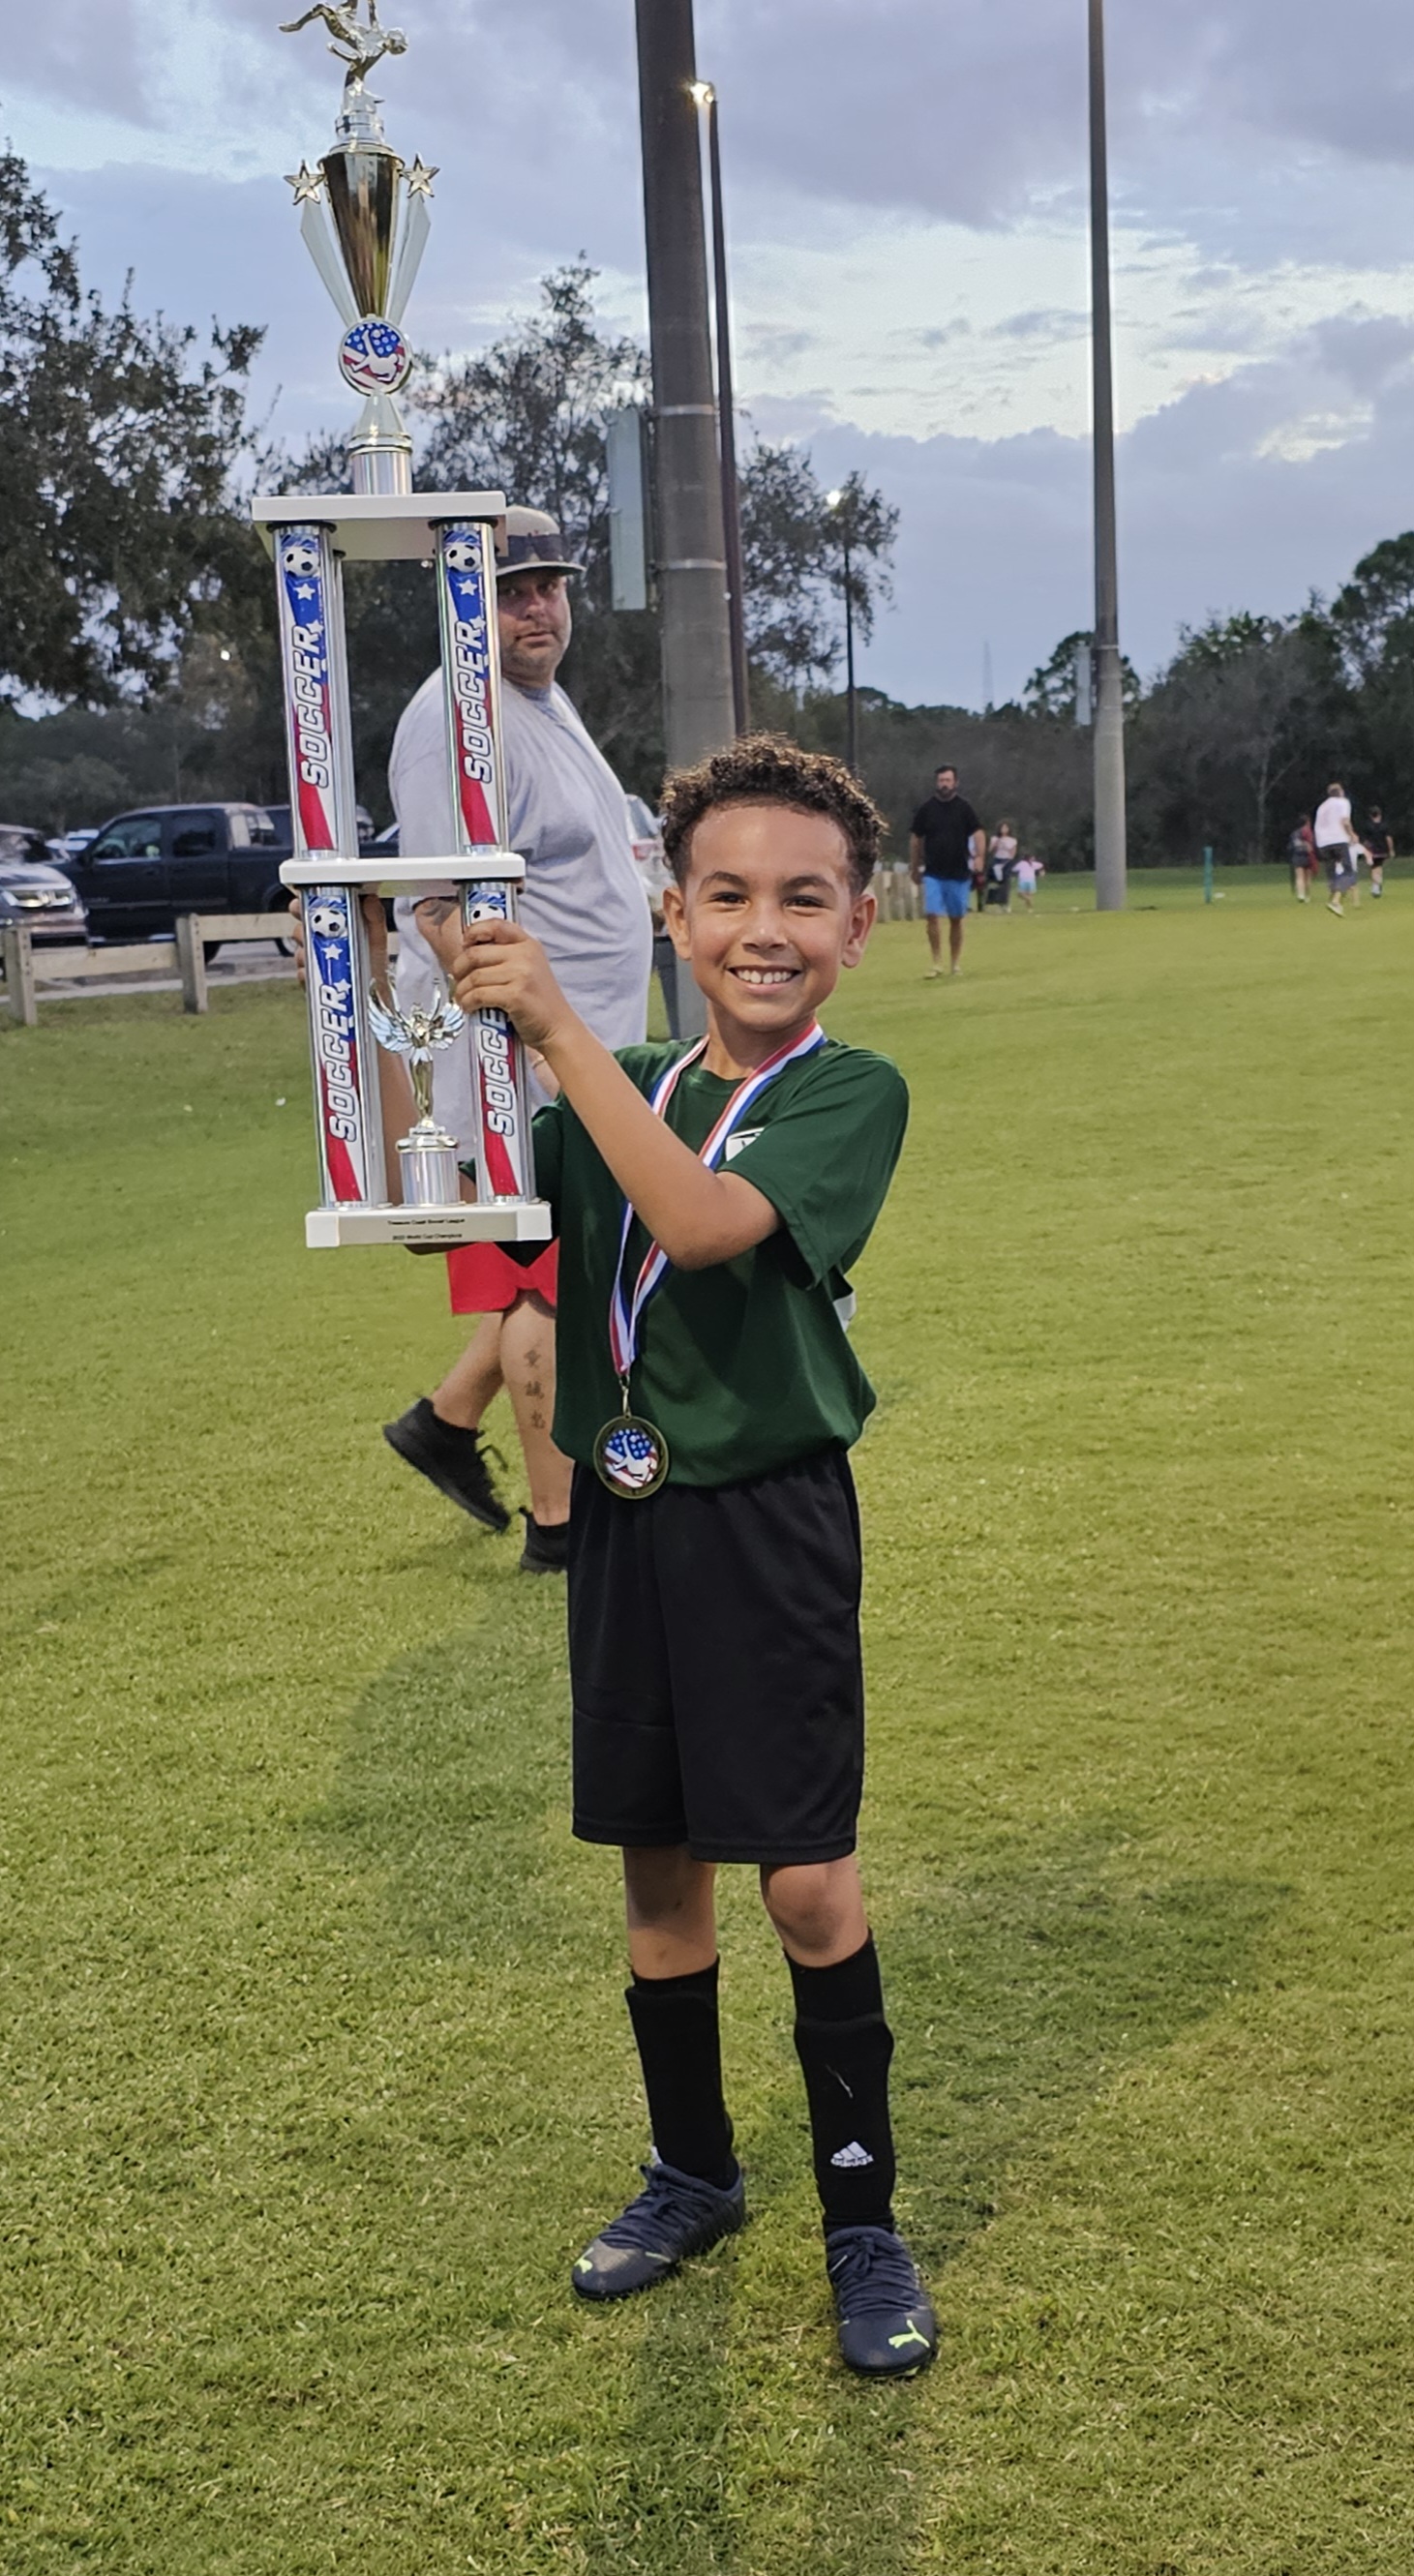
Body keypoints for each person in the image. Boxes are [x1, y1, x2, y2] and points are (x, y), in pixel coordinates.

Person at [447, 734, 935, 2380]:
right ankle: (693, 2169)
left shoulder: (848, 1091)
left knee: (800, 1876)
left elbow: (708, 1224)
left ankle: (860, 2216)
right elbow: (474, 1196)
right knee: (660, 1872)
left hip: (768, 1518)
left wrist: (558, 1026)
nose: (763, 925)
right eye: (726, 891)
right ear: (672, 909)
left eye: (804, 897)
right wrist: (420, 1001)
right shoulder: (622, 1075)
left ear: (858, 925)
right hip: (625, 1517)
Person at [381, 507, 652, 1572]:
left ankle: (445, 1424)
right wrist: (533, 1050)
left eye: (548, 584)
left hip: (578, 1050)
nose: (536, 606)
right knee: (548, 1283)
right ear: (459, 605)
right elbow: (437, 907)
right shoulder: (461, 717)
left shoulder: (540, 702)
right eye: (508, 589)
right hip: (520, 1062)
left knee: (560, 1265)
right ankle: (560, 1530)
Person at [909, 764, 982, 978]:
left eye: (948, 780)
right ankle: (937, 962)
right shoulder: (927, 809)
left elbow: (978, 832)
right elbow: (915, 838)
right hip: (933, 872)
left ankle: (955, 963)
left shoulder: (965, 808)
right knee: (932, 915)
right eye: (941, 780)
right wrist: (915, 866)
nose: (944, 784)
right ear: (936, 782)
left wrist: (979, 856)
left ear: (955, 782)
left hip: (959, 872)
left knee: (956, 918)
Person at [1312, 783, 1361, 916]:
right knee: (1348, 872)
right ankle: (1336, 901)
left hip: (1323, 842)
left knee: (1331, 872)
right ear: (1340, 792)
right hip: (1338, 839)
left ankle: (1334, 897)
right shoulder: (1342, 802)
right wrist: (1352, 834)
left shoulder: (1322, 806)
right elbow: (1344, 821)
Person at [1364, 804, 1395, 898]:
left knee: (1374, 868)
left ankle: (1376, 886)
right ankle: (1377, 885)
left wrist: (1366, 850)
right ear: (1379, 814)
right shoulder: (1384, 826)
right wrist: (1391, 850)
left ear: (1370, 815)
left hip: (1372, 850)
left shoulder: (1368, 826)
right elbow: (1388, 839)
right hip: (1382, 850)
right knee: (1379, 867)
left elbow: (1366, 841)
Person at [986, 821, 1018, 908]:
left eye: (1006, 827)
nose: (1004, 829)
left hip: (1007, 861)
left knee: (1006, 881)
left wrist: (1009, 861)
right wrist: (995, 845)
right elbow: (990, 850)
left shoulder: (1012, 840)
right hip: (997, 860)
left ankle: (1005, 902)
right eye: (1002, 827)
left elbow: (1013, 852)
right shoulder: (994, 838)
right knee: (996, 881)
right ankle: (992, 900)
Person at [1286, 818, 1316, 902]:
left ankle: (1301, 895)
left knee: (1299, 877)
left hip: (1298, 856)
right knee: (1308, 878)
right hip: (1309, 856)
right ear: (1307, 823)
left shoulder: (1294, 833)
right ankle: (1307, 896)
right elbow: (1314, 845)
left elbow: (1292, 846)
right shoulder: (1310, 832)